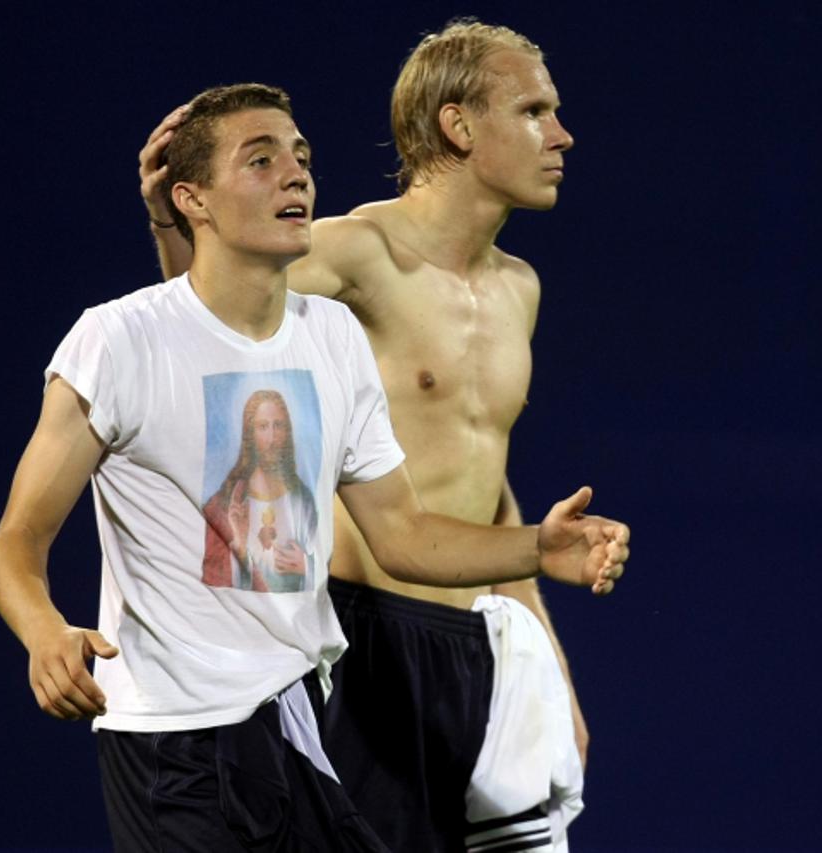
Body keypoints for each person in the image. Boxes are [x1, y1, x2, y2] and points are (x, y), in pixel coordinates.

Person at [0, 82, 628, 853]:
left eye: (301, 157)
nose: (296, 174)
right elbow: (16, 542)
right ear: (193, 199)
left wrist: (535, 548)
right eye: (260, 161)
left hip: (296, 722)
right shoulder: (116, 340)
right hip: (174, 744)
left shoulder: (331, 336)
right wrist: (45, 630)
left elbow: (405, 534)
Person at [140, 20, 596, 851]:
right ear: (459, 126)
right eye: (534, 110)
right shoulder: (359, 251)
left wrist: (551, 663)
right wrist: (177, 228)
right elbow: (216, 330)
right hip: (358, 642)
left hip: (472, 650)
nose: (561, 135)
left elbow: (484, 481)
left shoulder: (519, 288)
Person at [202, 389, 317, 592]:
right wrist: (239, 547)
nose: (272, 438)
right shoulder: (225, 503)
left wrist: (306, 567)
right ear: (250, 435)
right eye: (263, 427)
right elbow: (213, 580)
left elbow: (320, 564)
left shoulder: (303, 500)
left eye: (278, 426)